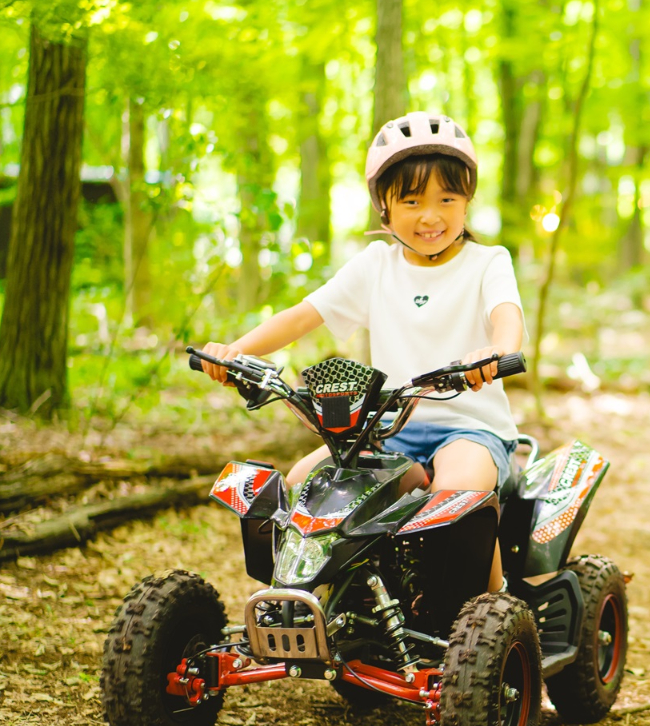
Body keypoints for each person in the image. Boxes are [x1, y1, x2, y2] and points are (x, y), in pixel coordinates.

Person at [200, 111, 524, 593]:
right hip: (387, 429)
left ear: (467, 201)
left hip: (470, 427)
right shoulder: (376, 265)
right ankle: (321, 607)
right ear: (384, 208)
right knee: (304, 483)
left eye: (447, 199)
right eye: (411, 201)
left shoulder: (487, 262)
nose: (430, 215)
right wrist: (235, 351)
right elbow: (303, 315)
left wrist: (498, 352)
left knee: (459, 495)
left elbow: (506, 316)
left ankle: (494, 613)